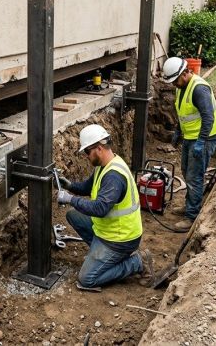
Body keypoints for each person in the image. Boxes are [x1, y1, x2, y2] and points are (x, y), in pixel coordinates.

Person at [55, 124, 153, 290]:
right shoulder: (104, 166)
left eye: (87, 152)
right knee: (73, 215)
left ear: (99, 148)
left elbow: (100, 209)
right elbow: (88, 187)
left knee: (86, 279)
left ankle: (137, 262)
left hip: (120, 239)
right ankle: (102, 256)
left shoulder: (113, 176)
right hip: (108, 230)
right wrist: (69, 185)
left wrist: (70, 199)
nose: (86, 156)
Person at [161, 57, 216, 232]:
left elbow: (208, 117)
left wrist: (201, 141)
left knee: (194, 177)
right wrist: (178, 131)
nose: (174, 84)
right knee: (187, 171)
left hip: (205, 137)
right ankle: (190, 205)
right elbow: (184, 112)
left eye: (175, 80)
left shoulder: (199, 89)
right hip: (190, 136)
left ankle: (191, 216)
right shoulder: (182, 86)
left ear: (185, 73)